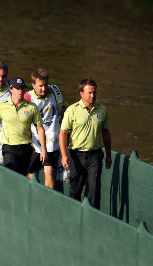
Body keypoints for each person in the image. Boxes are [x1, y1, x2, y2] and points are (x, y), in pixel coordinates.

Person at [0, 77, 46, 176]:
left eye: (22, 88)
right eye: (17, 88)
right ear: (11, 89)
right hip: (9, 148)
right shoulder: (2, 107)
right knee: (12, 175)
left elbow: (40, 128)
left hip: (26, 148)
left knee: (22, 178)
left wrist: (43, 149)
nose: (20, 91)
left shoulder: (32, 107)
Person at [59, 79, 111, 210]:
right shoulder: (72, 110)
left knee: (94, 189)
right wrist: (64, 155)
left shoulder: (102, 110)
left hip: (95, 154)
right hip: (77, 155)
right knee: (75, 189)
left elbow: (106, 133)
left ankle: (93, 219)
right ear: (81, 93)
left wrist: (109, 155)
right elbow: (63, 133)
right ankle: (73, 214)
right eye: (89, 93)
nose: (92, 96)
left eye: (94, 92)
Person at [24, 68, 67, 189]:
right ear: (33, 85)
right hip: (34, 143)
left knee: (49, 172)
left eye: (45, 85)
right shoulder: (28, 97)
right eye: (40, 86)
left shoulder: (54, 92)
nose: (44, 89)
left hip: (52, 140)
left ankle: (48, 200)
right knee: (32, 173)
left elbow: (63, 109)